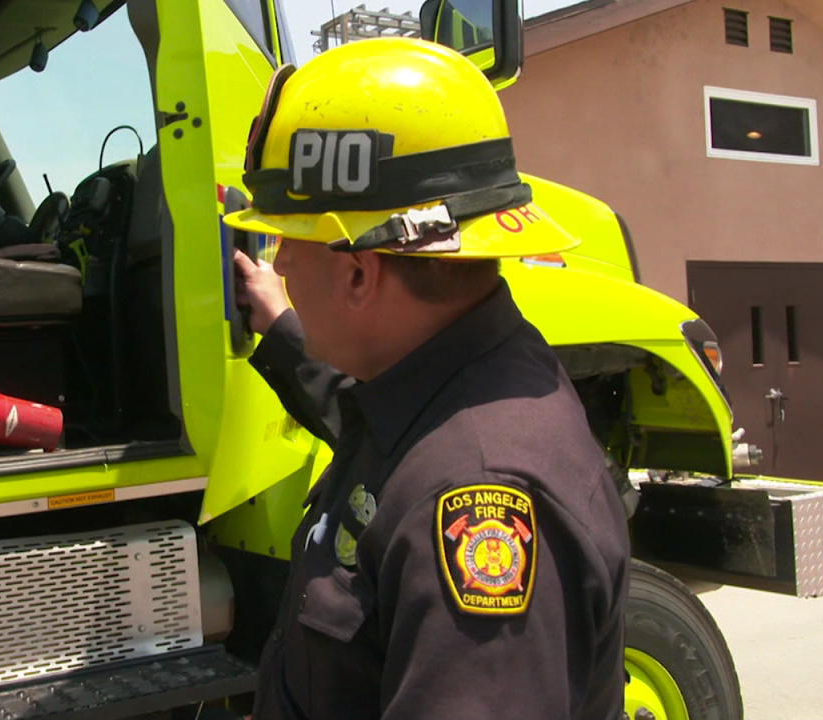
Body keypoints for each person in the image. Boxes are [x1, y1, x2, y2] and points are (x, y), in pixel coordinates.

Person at [224, 38, 631, 720]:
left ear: (360, 273)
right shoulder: (450, 387)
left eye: (290, 237)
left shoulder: (480, 491)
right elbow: (375, 429)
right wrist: (280, 327)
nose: (281, 260)